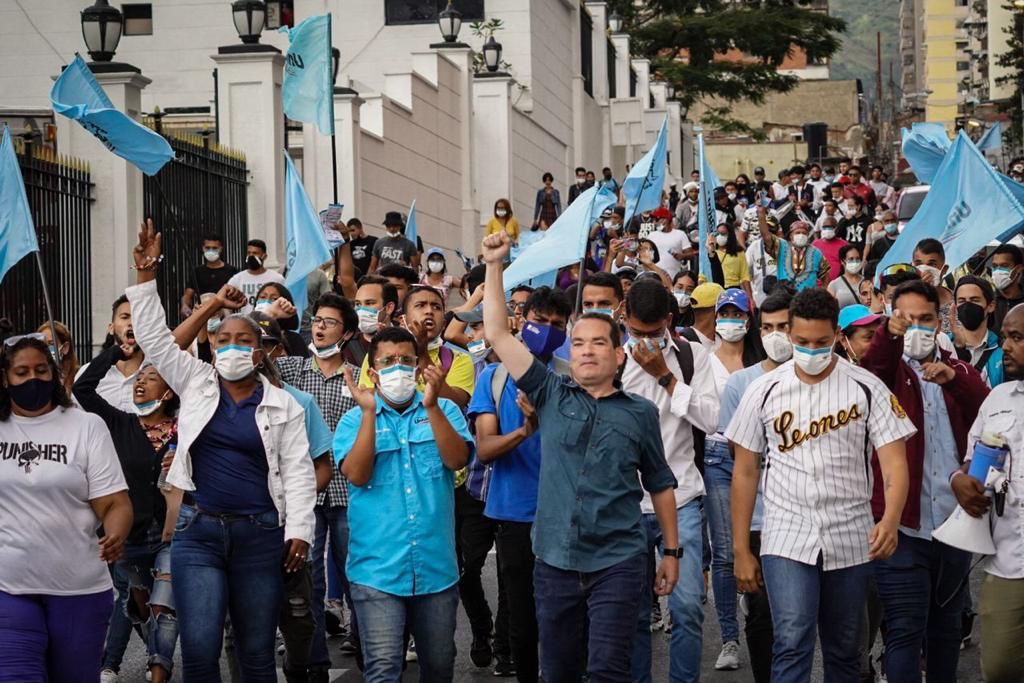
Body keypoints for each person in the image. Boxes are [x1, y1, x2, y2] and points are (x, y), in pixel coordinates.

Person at [481, 230, 680, 682]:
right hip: (554, 560)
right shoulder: (550, 392)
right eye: (580, 342)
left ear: (618, 354)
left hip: (620, 560)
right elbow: (496, 332)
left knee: (609, 670)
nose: (588, 350)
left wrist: (671, 552)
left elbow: (661, 483)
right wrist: (495, 265)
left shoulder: (641, 413)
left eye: (599, 342)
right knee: (559, 672)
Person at [127, 220, 316, 682]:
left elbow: (297, 471)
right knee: (200, 648)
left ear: (260, 351)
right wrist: (147, 276)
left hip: (259, 534)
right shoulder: (194, 380)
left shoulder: (282, 402)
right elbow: (154, 339)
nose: (233, 347)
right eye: (223, 339)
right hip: (199, 532)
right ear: (210, 344)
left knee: (255, 652)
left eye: (245, 340)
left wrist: (301, 531)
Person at [728, 288, 915, 683]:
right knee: (792, 641)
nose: (811, 350)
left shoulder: (866, 387)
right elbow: (744, 470)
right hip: (786, 537)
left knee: (847, 649)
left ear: (838, 337)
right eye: (802, 342)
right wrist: (741, 548)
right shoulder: (763, 391)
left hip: (850, 538)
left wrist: (891, 518)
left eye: (821, 342)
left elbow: (894, 461)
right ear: (790, 335)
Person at [858, 279, 989, 683]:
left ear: (939, 321)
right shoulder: (887, 373)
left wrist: (954, 378)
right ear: (892, 316)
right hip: (902, 527)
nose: (916, 326)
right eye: (905, 318)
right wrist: (887, 336)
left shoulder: (958, 368)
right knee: (905, 630)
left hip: (953, 524)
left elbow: (988, 409)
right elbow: (872, 373)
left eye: (925, 319)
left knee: (946, 628)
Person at [334, 326, 473, 682]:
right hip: (376, 571)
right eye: (388, 361)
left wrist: (433, 406)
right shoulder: (354, 420)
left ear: (418, 366)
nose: (398, 367)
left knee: (439, 667)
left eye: (406, 360)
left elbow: (458, 460)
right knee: (383, 669)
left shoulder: (445, 410)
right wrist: (368, 414)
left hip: (435, 569)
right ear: (374, 370)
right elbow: (357, 475)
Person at [0, 333, 133, 683]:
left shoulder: (86, 426)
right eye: (22, 371)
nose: (33, 379)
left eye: (42, 370)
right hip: (8, 586)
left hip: (79, 589)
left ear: (55, 373)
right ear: (5, 378)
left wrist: (116, 533)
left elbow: (115, 502)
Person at [470, 286, 573, 682]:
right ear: (520, 320)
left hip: (565, 514)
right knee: (523, 616)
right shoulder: (494, 378)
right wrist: (526, 430)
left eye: (556, 325)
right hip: (515, 513)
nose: (546, 330)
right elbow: (486, 449)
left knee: (566, 612)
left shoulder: (572, 377)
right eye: (539, 321)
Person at [621, 279, 720, 683]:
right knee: (633, 613)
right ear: (623, 319)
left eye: (654, 333)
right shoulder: (608, 356)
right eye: (636, 332)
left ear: (669, 320)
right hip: (625, 503)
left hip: (681, 498)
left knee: (688, 607)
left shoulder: (695, 356)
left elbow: (713, 419)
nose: (644, 341)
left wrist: (666, 377)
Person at [264, 292, 364, 675]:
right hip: (301, 492)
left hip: (346, 489)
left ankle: (369, 650)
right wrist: (270, 314)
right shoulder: (291, 370)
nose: (319, 327)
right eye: (316, 320)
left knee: (354, 574)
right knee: (309, 582)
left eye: (330, 322)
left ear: (348, 332)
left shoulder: (358, 375)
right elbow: (257, 345)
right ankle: (315, 661)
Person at [74, 342, 180, 683]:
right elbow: (82, 389)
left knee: (164, 605)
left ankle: (158, 671)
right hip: (130, 537)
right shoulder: (119, 424)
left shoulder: (185, 429)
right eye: (139, 377)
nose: (140, 381)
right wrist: (112, 354)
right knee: (137, 605)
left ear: (168, 393)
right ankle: (147, 657)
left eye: (151, 378)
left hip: (172, 534)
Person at [717, 290, 793, 682]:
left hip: (809, 520)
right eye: (768, 327)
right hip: (763, 519)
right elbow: (741, 461)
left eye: (784, 327)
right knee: (763, 617)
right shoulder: (740, 385)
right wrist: (741, 543)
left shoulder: (827, 378)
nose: (776, 335)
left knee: (803, 622)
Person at [951, 303, 1024, 682]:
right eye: (1006, 336)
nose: (1006, 346)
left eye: (1018, 338)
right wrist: (960, 481)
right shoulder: (997, 400)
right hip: (1010, 559)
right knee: (999, 668)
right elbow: (971, 462)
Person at [358, 286, 476, 409]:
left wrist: (422, 353)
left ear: (443, 323)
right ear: (402, 320)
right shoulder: (380, 355)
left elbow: (455, 404)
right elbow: (367, 398)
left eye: (436, 307)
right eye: (420, 305)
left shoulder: (459, 359)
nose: (429, 311)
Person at [951, 275, 1006, 388]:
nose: (967, 306)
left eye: (974, 300)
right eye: (961, 301)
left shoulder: (1004, 350)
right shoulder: (943, 345)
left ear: (991, 306)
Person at [757, 208, 829, 291]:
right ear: (791, 235)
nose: (801, 235)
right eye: (797, 233)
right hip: (785, 297)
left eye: (804, 233)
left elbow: (825, 274)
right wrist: (761, 215)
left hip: (808, 299)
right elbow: (766, 236)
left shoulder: (816, 252)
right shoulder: (781, 246)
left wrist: (823, 291)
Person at [346, 276, 400, 367]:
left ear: (389, 308)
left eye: (369, 303)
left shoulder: (407, 341)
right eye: (358, 304)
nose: (361, 309)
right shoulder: (346, 345)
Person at [180, 234, 238, 318]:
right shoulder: (197, 271)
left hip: (225, 315)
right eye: (207, 248)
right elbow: (188, 294)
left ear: (221, 249)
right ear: (203, 248)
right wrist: (185, 306)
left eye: (214, 248)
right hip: (202, 313)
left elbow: (236, 294)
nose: (211, 251)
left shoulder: (231, 271)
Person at [225, 239, 286, 314]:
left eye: (255, 253)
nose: (251, 256)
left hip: (269, 321)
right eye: (249, 253)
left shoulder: (277, 278)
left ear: (264, 256)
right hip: (246, 322)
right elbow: (226, 301)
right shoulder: (237, 279)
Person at [911, 238, 955, 333]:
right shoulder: (905, 302)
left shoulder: (958, 302)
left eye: (932, 264)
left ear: (944, 270)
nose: (925, 270)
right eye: (918, 264)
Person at [254, 282, 309, 357]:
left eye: (274, 299)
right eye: (263, 297)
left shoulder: (294, 339)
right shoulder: (248, 331)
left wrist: (270, 315)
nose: (267, 301)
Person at [706, 222, 752, 300]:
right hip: (715, 289)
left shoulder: (739, 253)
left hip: (734, 290)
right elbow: (703, 275)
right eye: (718, 234)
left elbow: (745, 277)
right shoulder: (711, 252)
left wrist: (750, 298)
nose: (720, 237)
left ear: (729, 235)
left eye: (723, 234)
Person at [645, 207, 694, 280]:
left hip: (674, 276)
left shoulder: (680, 234)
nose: (654, 222)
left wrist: (682, 256)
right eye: (654, 220)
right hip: (655, 276)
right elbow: (645, 256)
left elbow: (691, 255)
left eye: (657, 219)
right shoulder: (651, 235)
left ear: (666, 220)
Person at [37, 320, 79, 395]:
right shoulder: (35, 379)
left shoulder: (79, 377)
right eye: (41, 344)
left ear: (65, 347)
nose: (45, 348)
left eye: (51, 344)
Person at [991, 244, 1024, 331]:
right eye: (994, 266)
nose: (998, 271)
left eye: (1004, 266)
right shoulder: (989, 301)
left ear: (1019, 269)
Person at [827, 244, 865, 309]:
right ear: (842, 261)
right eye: (851, 259)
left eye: (857, 259)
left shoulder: (867, 282)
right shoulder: (834, 285)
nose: (855, 262)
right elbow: (829, 309)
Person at [812, 218, 849, 283]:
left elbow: (847, 265)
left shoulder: (844, 244)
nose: (827, 230)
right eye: (825, 227)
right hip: (818, 283)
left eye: (830, 227)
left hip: (838, 283)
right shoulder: (815, 244)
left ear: (836, 228)